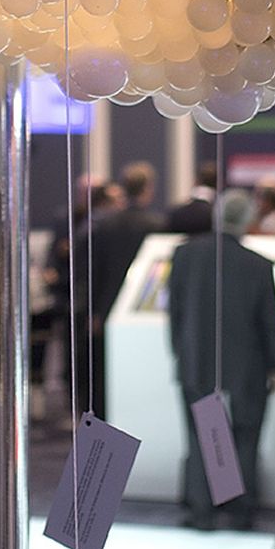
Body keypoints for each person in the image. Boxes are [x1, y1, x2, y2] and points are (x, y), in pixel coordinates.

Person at [166, 190, 275, 530]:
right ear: (248, 220)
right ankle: (241, 509)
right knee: (246, 434)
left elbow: (175, 313)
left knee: (202, 433)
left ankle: (202, 511)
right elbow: (268, 322)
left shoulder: (185, 255)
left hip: (196, 363)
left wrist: (180, 353)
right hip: (248, 366)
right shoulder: (259, 265)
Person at [87, 165, 165, 417]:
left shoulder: (105, 225)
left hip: (107, 308)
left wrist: (95, 311)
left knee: (105, 375)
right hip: (143, 313)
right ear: (148, 189)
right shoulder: (158, 224)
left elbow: (95, 271)